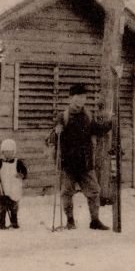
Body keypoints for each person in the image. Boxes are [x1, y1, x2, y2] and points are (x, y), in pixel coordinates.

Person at [47, 84, 112, 230]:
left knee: (94, 191)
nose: (81, 100)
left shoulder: (88, 116)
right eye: (78, 97)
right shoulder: (62, 117)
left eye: (83, 97)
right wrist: (56, 132)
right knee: (66, 193)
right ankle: (70, 221)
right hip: (68, 163)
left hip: (85, 162)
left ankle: (94, 221)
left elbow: (98, 130)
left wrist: (110, 123)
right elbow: (51, 138)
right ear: (71, 98)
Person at [0, 138, 27, 230]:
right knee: (2, 208)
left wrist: (21, 175)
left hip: (14, 189)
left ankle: (14, 222)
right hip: (2, 189)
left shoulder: (18, 162)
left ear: (13, 152)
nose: (8, 154)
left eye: (10, 152)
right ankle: (2, 223)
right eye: (6, 152)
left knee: (13, 207)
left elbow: (24, 172)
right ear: (2, 152)